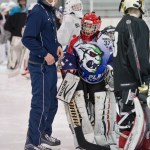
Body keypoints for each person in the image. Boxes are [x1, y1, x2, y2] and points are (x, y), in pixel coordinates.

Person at [61, 12, 117, 150]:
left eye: (91, 26)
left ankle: (102, 139)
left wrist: (112, 70)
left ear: (97, 27)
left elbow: (113, 59)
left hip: (100, 80)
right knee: (80, 109)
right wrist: (69, 71)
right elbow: (68, 60)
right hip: (81, 79)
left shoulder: (105, 40)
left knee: (101, 111)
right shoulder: (75, 41)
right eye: (85, 25)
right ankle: (83, 139)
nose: (87, 29)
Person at [22, 0, 63, 150]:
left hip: (50, 65)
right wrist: (45, 54)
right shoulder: (38, 12)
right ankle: (32, 142)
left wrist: (57, 46)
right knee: (41, 103)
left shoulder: (49, 11)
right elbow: (27, 38)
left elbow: (48, 36)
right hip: (40, 66)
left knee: (52, 103)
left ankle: (44, 133)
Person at [113, 0, 150, 149]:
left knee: (126, 116)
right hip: (133, 81)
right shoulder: (136, 23)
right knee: (136, 118)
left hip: (121, 81)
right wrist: (144, 80)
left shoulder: (121, 23)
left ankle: (124, 146)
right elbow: (137, 55)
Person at [4, 0, 28, 69]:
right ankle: (13, 66)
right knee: (14, 54)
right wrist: (14, 31)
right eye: (21, 1)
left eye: (24, 1)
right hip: (16, 36)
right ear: (18, 2)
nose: (23, 2)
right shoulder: (14, 11)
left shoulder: (28, 11)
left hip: (25, 37)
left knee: (23, 54)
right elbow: (7, 25)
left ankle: (22, 67)